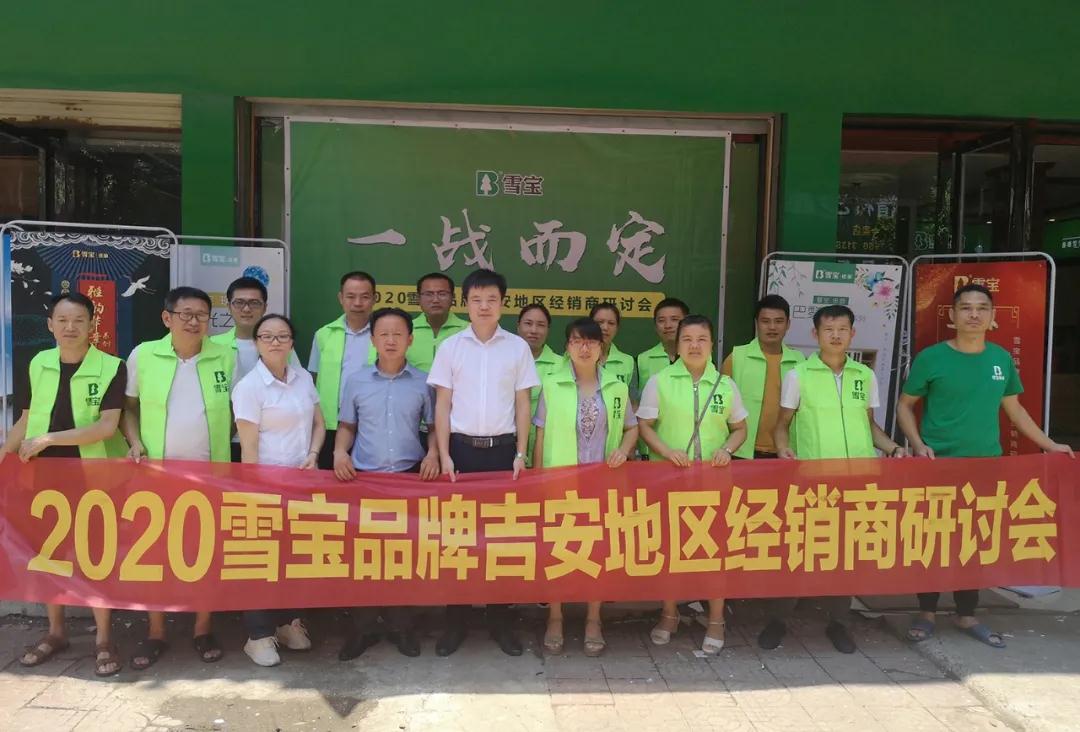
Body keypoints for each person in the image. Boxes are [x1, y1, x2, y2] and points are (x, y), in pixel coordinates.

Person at [897, 283, 1074, 649]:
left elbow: (1015, 411)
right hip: (937, 467)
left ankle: (966, 613)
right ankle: (926, 612)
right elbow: (905, 405)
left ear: (993, 317)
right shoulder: (932, 358)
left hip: (985, 469)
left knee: (974, 542)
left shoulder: (1000, 359)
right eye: (966, 307)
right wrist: (918, 445)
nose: (974, 314)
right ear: (952, 315)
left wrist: (1050, 444)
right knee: (933, 541)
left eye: (982, 308)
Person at [769, 304, 907, 654]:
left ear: (852, 334)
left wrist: (893, 448)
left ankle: (839, 623)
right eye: (828, 329)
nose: (835, 335)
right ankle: (778, 620)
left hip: (857, 482)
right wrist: (783, 450)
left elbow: (870, 426)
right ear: (815, 334)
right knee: (800, 552)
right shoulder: (799, 375)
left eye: (842, 329)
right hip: (813, 483)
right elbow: (781, 425)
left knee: (847, 554)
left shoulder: (864, 375)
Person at [2, 293, 127, 677]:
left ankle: (104, 639)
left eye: (78, 320)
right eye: (62, 320)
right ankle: (56, 632)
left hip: (94, 478)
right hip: (43, 477)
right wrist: (4, 453)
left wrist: (49, 439)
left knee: (95, 557)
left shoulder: (112, 366)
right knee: (48, 553)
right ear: (50, 325)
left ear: (92, 325)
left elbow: (106, 426)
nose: (70, 327)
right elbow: (26, 418)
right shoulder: (38, 363)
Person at [427, 268, 540, 657]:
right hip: (461, 451)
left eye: (492, 299)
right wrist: (444, 454)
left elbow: (523, 404)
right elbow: (442, 404)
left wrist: (521, 453)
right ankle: (455, 622)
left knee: (501, 539)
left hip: (502, 452)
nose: (484, 306)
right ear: (466, 304)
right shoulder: (451, 347)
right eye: (476, 300)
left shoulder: (517, 348)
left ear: (503, 303)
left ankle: (500, 621)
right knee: (457, 538)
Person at [122, 286, 234, 670]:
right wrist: (135, 441)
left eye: (202, 314)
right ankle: (156, 632)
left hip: (211, 476)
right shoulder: (143, 355)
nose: (194, 321)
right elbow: (128, 407)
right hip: (156, 475)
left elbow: (242, 410)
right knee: (155, 554)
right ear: (167, 318)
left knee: (205, 554)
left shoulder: (226, 356)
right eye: (186, 314)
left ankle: (203, 629)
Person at [636, 315, 748, 655]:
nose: (694, 345)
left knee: (715, 552)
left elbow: (740, 429)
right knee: (671, 551)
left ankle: (716, 620)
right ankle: (669, 614)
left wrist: (727, 449)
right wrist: (666, 451)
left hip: (715, 483)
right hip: (671, 482)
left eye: (701, 339)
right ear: (678, 344)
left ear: (712, 344)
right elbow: (644, 425)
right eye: (687, 339)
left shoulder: (726, 385)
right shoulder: (660, 381)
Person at [334, 307, 441, 660]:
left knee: (403, 558)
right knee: (364, 559)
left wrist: (433, 454)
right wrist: (339, 452)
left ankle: (401, 627)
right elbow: (347, 426)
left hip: (410, 478)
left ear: (410, 339)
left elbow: (434, 427)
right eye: (383, 334)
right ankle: (363, 629)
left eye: (398, 334)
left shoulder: (424, 382)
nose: (391, 340)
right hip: (365, 480)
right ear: (372, 339)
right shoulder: (356, 381)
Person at [532, 317, 638, 656]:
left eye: (591, 341)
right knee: (558, 550)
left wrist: (624, 450)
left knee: (598, 551)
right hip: (560, 484)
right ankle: (555, 617)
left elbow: (632, 427)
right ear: (567, 347)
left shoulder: (616, 388)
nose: (584, 347)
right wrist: (538, 480)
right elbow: (540, 434)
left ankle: (594, 619)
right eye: (577, 341)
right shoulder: (552, 384)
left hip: (602, 486)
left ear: (601, 348)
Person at [231, 314, 324, 666]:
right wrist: (255, 494)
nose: (275, 342)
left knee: (296, 556)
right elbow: (248, 448)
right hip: (265, 487)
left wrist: (313, 454)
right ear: (256, 343)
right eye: (267, 336)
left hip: (302, 485)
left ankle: (288, 623)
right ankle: (258, 636)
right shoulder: (249, 387)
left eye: (282, 336)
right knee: (262, 560)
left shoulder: (303, 379)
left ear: (291, 342)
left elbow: (319, 423)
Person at [211, 276, 300, 461]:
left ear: (265, 307)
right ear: (228, 306)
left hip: (273, 443)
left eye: (254, 303)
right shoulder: (213, 346)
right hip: (226, 441)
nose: (246, 309)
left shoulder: (281, 345)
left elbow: (298, 389)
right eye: (239, 303)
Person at [722, 295, 805, 459]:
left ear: (788, 324)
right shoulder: (737, 357)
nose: (772, 327)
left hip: (786, 451)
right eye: (765, 321)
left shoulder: (800, 361)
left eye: (779, 321)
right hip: (741, 450)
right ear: (756, 323)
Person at [309, 271, 377, 469]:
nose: (357, 303)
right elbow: (314, 378)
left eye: (365, 297)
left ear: (374, 298)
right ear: (340, 298)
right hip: (330, 424)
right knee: (331, 481)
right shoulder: (324, 334)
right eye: (350, 296)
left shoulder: (384, 334)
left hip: (372, 424)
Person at [517, 303, 562, 467]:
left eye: (541, 325)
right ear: (518, 327)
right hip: (509, 450)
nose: (534, 330)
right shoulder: (504, 362)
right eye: (528, 323)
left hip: (547, 451)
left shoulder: (562, 365)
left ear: (548, 330)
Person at [401, 272, 469, 371]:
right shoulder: (404, 330)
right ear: (418, 298)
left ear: (452, 297)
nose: (435, 300)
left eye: (442, 294)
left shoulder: (469, 330)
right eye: (428, 294)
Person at [636, 297, 689, 389]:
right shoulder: (642, 360)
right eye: (661, 320)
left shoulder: (699, 357)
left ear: (687, 323)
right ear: (655, 326)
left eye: (674, 319)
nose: (668, 325)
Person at [589, 302, 635, 390]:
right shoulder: (575, 358)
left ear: (617, 328)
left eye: (611, 323)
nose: (605, 327)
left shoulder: (627, 361)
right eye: (600, 322)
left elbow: (632, 397)